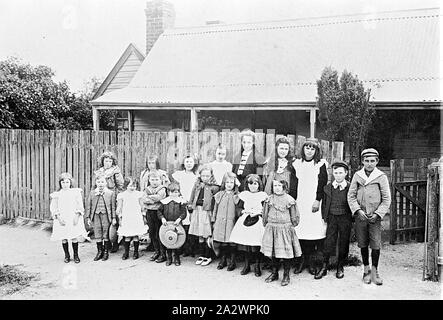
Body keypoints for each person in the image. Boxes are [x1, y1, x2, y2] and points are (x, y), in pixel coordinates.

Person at [348, 148, 391, 285]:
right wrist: (357, 211)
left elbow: (386, 199)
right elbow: (351, 196)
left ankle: (374, 271)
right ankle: (366, 270)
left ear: (377, 161)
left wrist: (378, 214)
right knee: (363, 244)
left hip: (374, 218)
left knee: (376, 245)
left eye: (372, 161)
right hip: (361, 216)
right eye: (366, 161)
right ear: (362, 161)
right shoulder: (357, 175)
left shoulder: (381, 176)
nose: (369, 163)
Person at [292, 138, 328, 276]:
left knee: (313, 232)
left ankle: (312, 263)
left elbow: (322, 184)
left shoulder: (320, 164)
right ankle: (302, 261)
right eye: (307, 147)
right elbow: (294, 183)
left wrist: (317, 200)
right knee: (301, 231)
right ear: (303, 149)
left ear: (316, 151)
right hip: (300, 201)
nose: (309, 150)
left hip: (313, 202)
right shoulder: (297, 163)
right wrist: (294, 200)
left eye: (313, 148)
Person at [315, 160, 352, 279]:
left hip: (345, 217)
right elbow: (324, 204)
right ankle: (324, 266)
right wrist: (324, 217)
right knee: (329, 241)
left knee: (343, 241)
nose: (338, 175)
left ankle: (340, 266)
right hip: (332, 217)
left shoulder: (350, 188)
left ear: (346, 173)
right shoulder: (327, 188)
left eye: (341, 173)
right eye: (336, 173)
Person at [261, 180, 302, 286]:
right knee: (274, 252)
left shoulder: (289, 199)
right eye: (275, 185)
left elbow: (294, 215)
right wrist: (266, 223)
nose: (277, 187)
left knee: (286, 254)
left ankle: (286, 275)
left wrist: (292, 225)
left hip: (285, 229)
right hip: (272, 227)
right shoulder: (269, 199)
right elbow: (264, 213)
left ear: (284, 186)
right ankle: (274, 273)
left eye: (279, 185)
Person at [229, 174, 268, 277]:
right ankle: (246, 265)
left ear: (259, 185)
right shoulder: (244, 195)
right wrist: (243, 211)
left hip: (258, 221)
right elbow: (238, 208)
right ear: (247, 185)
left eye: (255, 184)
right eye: (250, 184)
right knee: (246, 244)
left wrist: (259, 213)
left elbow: (266, 209)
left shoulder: (263, 195)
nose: (253, 186)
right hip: (245, 219)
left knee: (256, 244)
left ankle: (257, 266)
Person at [50, 172, 88, 263]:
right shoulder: (57, 195)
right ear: (60, 183)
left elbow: (80, 206)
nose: (65, 184)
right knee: (64, 237)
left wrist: (77, 216)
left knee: (74, 236)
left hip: (72, 217)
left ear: (70, 182)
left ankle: (76, 255)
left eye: (67, 182)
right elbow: (54, 208)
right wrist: (59, 218)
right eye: (63, 182)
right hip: (62, 219)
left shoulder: (75, 192)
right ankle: (67, 255)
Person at [188, 165, 220, 266]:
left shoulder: (214, 187)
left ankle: (208, 255)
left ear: (211, 175)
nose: (205, 178)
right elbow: (192, 196)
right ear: (200, 175)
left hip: (207, 211)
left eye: (207, 175)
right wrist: (190, 206)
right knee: (200, 234)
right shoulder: (197, 185)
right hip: (197, 210)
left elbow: (216, 201)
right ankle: (201, 254)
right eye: (203, 175)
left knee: (206, 234)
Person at [94, 151, 124, 253]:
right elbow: (95, 186)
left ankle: (114, 242)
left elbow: (120, 185)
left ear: (113, 162)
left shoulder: (115, 171)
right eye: (106, 161)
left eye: (110, 161)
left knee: (113, 219)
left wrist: (119, 198)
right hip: (102, 197)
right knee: (104, 219)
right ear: (102, 162)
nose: (108, 163)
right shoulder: (99, 172)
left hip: (112, 196)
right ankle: (106, 243)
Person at [211, 172, 240, 271]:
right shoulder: (219, 195)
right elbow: (215, 208)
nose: (229, 184)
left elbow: (238, 210)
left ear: (234, 184)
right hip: (220, 222)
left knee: (231, 242)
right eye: (227, 182)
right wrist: (213, 220)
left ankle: (232, 261)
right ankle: (223, 260)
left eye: (231, 182)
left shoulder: (237, 196)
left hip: (231, 222)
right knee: (222, 242)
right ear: (224, 183)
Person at [86, 174, 117, 261]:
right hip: (96, 215)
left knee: (106, 232)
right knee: (97, 232)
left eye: (102, 182)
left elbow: (113, 207)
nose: (100, 184)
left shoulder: (110, 193)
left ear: (106, 183)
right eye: (98, 182)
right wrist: (88, 217)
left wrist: (114, 218)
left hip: (106, 215)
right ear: (96, 183)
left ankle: (106, 251)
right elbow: (89, 206)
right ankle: (100, 251)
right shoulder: (92, 193)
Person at [117, 177, 148, 260]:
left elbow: (142, 207)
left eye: (134, 186)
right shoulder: (122, 195)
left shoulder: (138, 194)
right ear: (126, 185)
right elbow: (119, 208)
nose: (132, 188)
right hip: (127, 217)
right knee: (127, 235)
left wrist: (143, 216)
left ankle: (136, 252)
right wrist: (120, 218)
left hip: (136, 216)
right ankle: (126, 252)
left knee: (135, 235)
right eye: (130, 186)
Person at [158, 182, 187, 266]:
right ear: (168, 192)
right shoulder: (165, 202)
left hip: (177, 225)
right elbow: (159, 212)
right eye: (172, 192)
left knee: (177, 241)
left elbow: (184, 213)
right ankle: (169, 258)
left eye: (176, 192)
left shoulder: (181, 202)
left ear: (179, 192)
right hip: (167, 225)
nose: (174, 194)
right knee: (168, 241)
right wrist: (162, 218)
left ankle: (177, 258)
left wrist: (179, 218)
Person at [143, 171, 167, 262]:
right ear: (149, 180)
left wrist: (151, 198)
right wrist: (153, 199)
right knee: (152, 233)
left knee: (159, 233)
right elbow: (144, 199)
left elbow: (160, 198)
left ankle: (162, 253)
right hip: (149, 212)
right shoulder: (147, 189)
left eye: (156, 179)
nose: (154, 182)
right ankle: (156, 251)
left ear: (160, 180)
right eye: (152, 180)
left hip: (158, 212)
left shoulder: (162, 189)